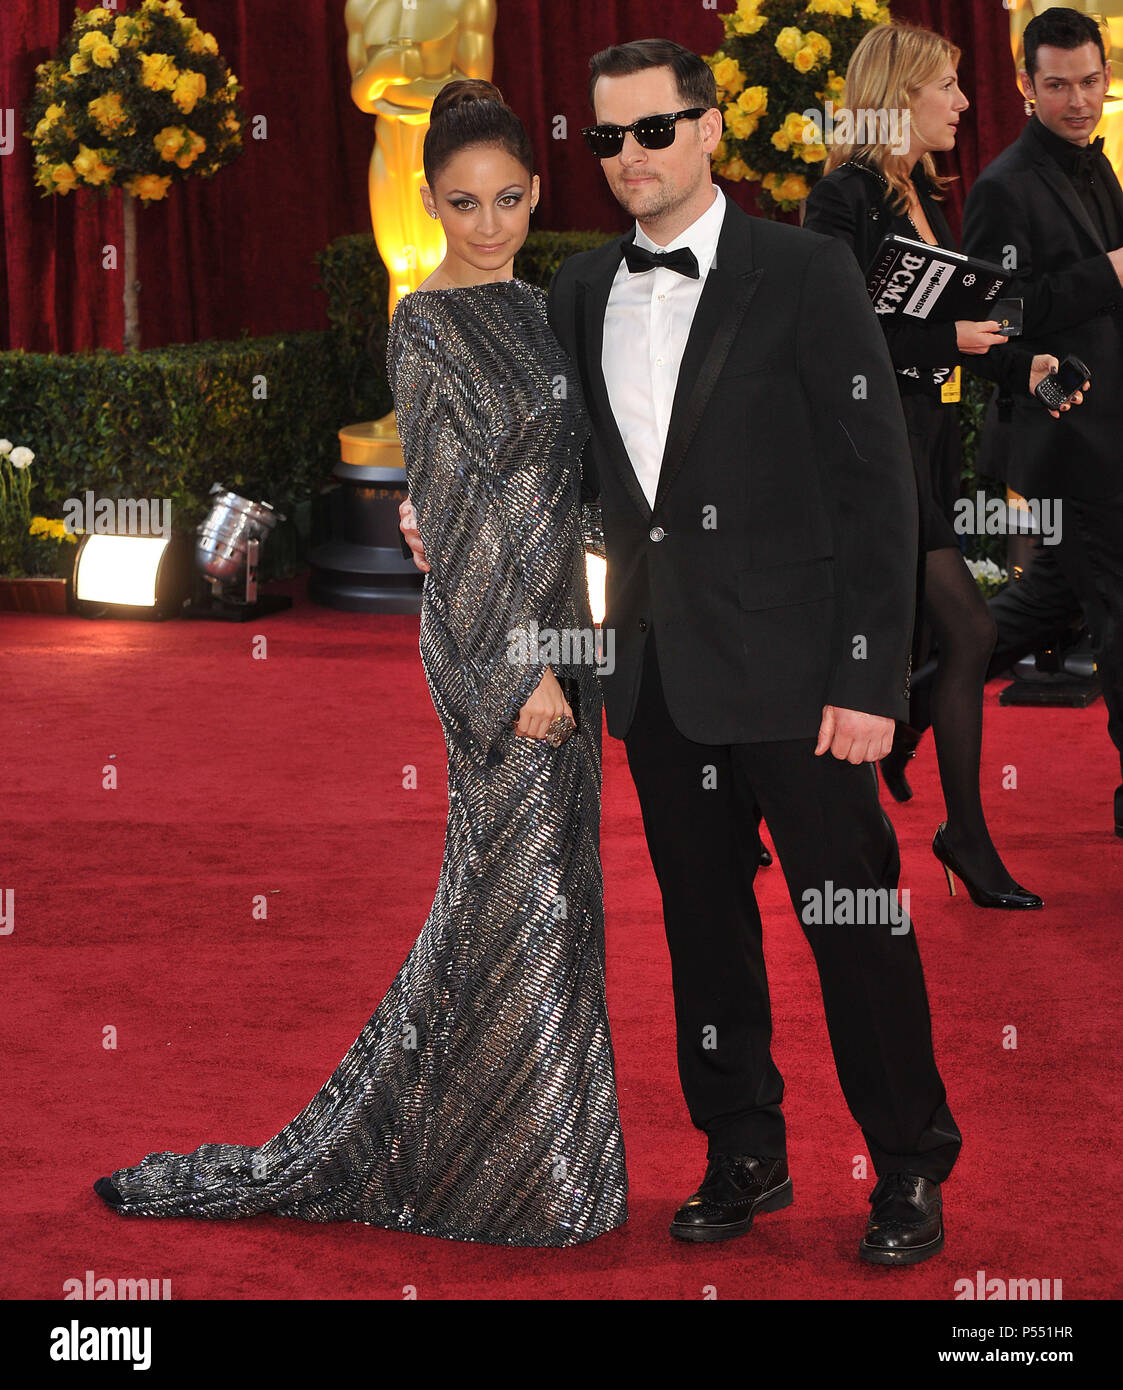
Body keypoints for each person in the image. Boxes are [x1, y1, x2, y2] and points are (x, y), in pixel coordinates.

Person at [403, 38, 960, 1264]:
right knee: (705, 937)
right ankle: (742, 1153)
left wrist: (871, 678)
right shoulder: (579, 293)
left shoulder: (807, 272)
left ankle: (910, 1164)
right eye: (607, 139)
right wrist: (431, 507)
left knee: (854, 925)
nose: (630, 158)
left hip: (809, 686)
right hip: (657, 682)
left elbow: (881, 492)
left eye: (654, 130)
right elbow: (551, 478)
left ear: (709, 130)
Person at [93, 79, 628, 1248]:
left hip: (557, 636)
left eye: (504, 200)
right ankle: (506, 1177)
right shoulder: (427, 322)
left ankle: (513, 1147)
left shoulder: (543, 308)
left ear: (537, 193)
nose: (485, 224)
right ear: (426, 201)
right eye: (460, 203)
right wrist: (517, 671)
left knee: (537, 894)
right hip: (497, 646)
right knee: (519, 888)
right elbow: (458, 511)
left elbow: (577, 481)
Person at [802, 23, 1082, 908]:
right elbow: (830, 342)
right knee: (966, 633)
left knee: (920, 645)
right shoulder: (840, 198)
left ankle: (847, 816)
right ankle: (953, 834)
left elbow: (976, 323)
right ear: (898, 97)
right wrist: (945, 341)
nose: (964, 104)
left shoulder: (927, 193)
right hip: (869, 456)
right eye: (947, 88)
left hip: (923, 446)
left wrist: (1023, 364)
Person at [962, 4, 1123, 838]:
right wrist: (1107, 273)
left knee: (1049, 601)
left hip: (1109, 430)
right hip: (1070, 442)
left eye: (1090, 82)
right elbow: (998, 318)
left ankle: (916, 691)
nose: (1077, 100)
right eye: (1056, 85)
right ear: (1026, 86)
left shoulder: (1095, 167)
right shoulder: (1000, 186)